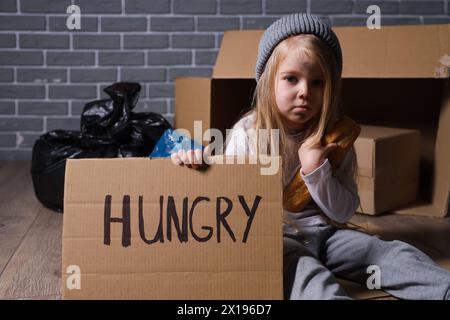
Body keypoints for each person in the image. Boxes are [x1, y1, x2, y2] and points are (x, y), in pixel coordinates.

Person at [171, 13, 450, 300]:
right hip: (276, 241)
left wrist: (316, 172)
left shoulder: (334, 139)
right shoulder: (249, 133)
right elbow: (231, 201)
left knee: (384, 251)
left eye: (317, 82)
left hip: (327, 235)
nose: (305, 92)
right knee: (307, 273)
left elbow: (342, 212)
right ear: (268, 82)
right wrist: (202, 166)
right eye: (291, 79)